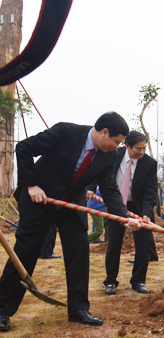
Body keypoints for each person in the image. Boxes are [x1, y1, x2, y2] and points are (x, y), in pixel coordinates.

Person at [0, 112, 141, 331]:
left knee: (79, 250)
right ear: (104, 132)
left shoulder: (109, 156)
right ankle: (2, 309)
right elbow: (24, 148)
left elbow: (110, 189)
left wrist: (123, 218)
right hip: (40, 198)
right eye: (116, 141)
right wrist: (31, 185)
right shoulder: (65, 132)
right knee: (26, 251)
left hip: (70, 204)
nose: (117, 147)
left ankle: (78, 309)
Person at [101, 131, 158, 296]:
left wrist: (147, 213)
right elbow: (99, 173)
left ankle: (138, 281)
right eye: (138, 149)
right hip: (118, 206)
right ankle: (110, 281)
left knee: (142, 246)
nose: (141, 152)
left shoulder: (149, 164)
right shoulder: (113, 155)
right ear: (127, 146)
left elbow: (151, 191)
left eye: (144, 148)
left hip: (140, 208)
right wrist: (90, 188)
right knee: (114, 244)